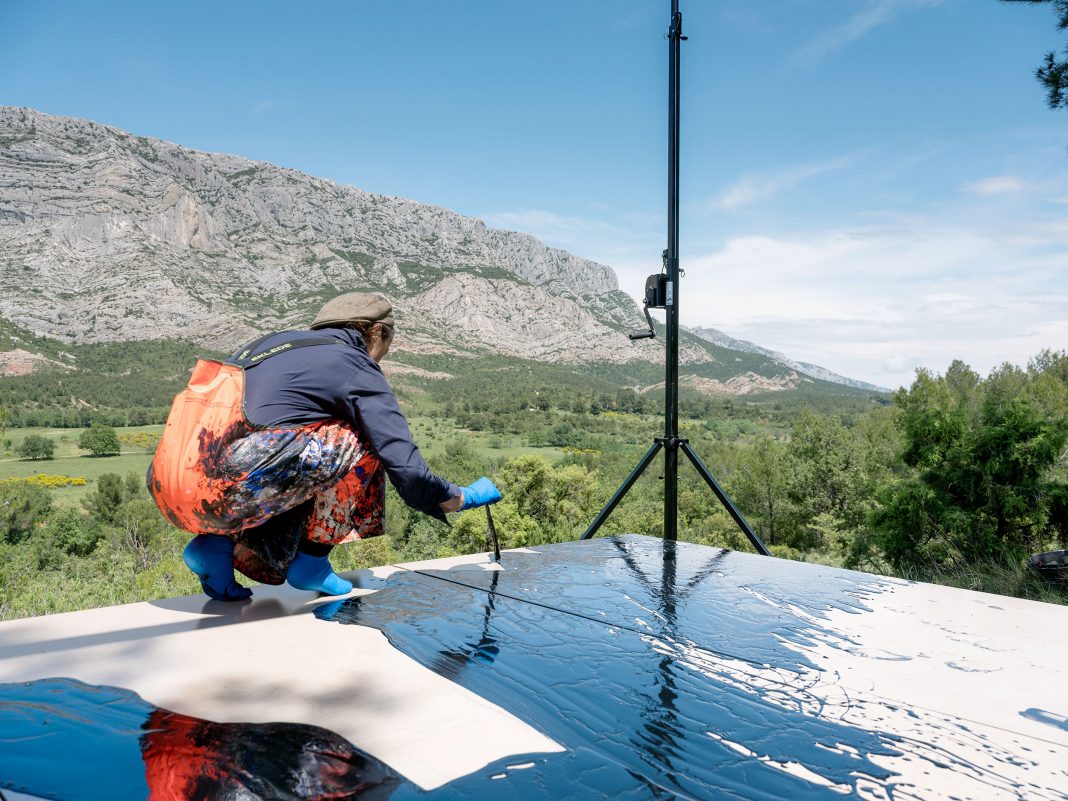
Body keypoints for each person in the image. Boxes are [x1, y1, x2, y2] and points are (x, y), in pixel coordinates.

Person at [147, 292, 501, 600]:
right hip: (228, 488)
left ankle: (215, 547)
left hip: (172, 485)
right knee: (361, 434)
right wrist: (459, 497)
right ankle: (312, 561)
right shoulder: (352, 361)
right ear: (378, 332)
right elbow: (404, 464)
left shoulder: (272, 344)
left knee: (298, 446)